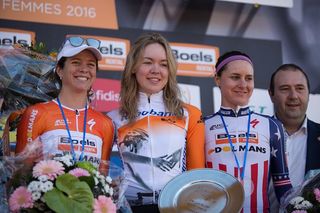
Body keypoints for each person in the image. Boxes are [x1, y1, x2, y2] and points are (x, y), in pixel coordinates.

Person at [107, 33, 205, 212]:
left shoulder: (189, 114)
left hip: (175, 207)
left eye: (163, 64)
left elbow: (196, 175)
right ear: (134, 67)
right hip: (128, 208)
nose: (156, 70)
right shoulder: (113, 118)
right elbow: (104, 171)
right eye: (147, 62)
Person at [204, 51, 292, 212]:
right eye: (235, 77)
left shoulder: (272, 125)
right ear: (217, 79)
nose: (243, 84)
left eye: (249, 78)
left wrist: (297, 208)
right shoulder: (202, 125)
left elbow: (283, 184)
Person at [16, 36, 114, 166]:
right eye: (76, 62)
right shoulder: (36, 113)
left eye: (90, 64)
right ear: (60, 70)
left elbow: (103, 175)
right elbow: (21, 173)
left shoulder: (106, 124)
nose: (84, 69)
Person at [268, 63, 320, 212]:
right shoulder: (255, 136)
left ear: (309, 93)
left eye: (300, 88)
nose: (293, 96)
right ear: (271, 94)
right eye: (285, 89)